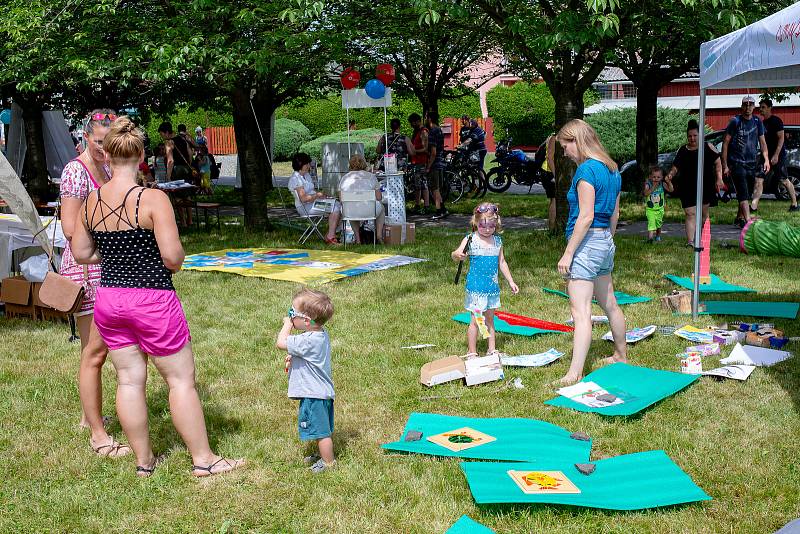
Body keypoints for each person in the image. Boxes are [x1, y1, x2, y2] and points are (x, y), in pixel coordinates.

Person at [70, 116, 245, 478]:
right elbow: (173, 259)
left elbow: (82, 252)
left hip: (110, 300)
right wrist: (144, 251)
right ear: (139, 155)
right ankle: (204, 460)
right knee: (180, 380)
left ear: (107, 154)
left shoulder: (91, 202)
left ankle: (144, 462)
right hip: (152, 298)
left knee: (129, 380)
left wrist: (117, 254)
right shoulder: (153, 199)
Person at [59, 109, 130, 459]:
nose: (105, 150)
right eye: (99, 143)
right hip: (87, 268)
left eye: (110, 143)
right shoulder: (76, 171)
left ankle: (92, 418)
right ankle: (98, 434)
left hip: (107, 265)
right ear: (86, 137)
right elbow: (71, 229)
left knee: (101, 351)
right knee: (95, 352)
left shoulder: (106, 167)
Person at [555, 119, 626, 386]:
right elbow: (614, 214)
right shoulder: (613, 169)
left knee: (580, 311)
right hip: (605, 240)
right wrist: (607, 241)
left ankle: (575, 373)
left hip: (586, 244)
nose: (565, 153)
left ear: (577, 141)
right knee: (609, 303)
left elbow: (585, 216)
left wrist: (568, 253)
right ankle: (621, 355)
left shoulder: (586, 171)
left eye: (565, 146)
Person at [276, 288, 336, 474]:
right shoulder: (319, 335)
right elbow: (308, 356)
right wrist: (294, 358)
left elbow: (281, 342)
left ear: (306, 321)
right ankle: (323, 455)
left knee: (321, 432)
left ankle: (329, 463)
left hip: (314, 394)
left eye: (292, 313)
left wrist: (287, 324)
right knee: (320, 428)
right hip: (320, 392)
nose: (290, 316)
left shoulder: (308, 340)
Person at [451, 202, 519, 358]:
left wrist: (511, 281)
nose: (487, 229)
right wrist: (457, 255)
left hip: (492, 289)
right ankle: (472, 351)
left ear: (496, 224)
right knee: (475, 320)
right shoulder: (470, 239)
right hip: (475, 290)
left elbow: (502, 262)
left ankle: (491, 349)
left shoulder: (497, 242)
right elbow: (455, 254)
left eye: (491, 226)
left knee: (490, 320)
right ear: (476, 222)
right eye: (482, 226)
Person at [666, 119, 724, 246]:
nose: (692, 138)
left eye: (695, 136)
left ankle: (702, 237)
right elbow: (676, 167)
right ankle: (690, 241)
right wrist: (670, 175)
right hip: (687, 186)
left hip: (705, 185)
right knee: (690, 213)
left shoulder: (708, 146)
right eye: (690, 136)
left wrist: (719, 178)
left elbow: (718, 162)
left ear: (700, 135)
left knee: (703, 214)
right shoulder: (682, 150)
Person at [722, 96, 770, 227]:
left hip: (751, 163)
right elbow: (725, 143)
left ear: (754, 107)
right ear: (741, 106)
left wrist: (766, 159)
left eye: (751, 104)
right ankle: (748, 222)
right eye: (745, 104)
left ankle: (739, 218)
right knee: (742, 192)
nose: (748, 107)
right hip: (737, 162)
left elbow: (763, 142)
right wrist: (725, 165)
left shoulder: (757, 121)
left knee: (746, 193)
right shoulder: (735, 121)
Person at [752, 99, 799, 213]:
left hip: (778, 156)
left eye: (763, 107)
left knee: (784, 180)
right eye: (760, 107)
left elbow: (781, 138)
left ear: (769, 108)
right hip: (766, 156)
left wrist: (776, 155)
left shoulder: (776, 121)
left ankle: (794, 204)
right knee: (758, 179)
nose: (760, 110)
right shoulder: (762, 123)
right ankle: (753, 206)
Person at [288, 152, 342, 244]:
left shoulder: (306, 175)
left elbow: (311, 192)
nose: (309, 165)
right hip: (304, 207)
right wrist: (317, 196)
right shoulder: (296, 179)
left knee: (340, 205)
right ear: (301, 164)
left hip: (313, 203)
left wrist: (322, 196)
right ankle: (330, 236)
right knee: (335, 208)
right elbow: (303, 198)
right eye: (307, 164)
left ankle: (330, 233)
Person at [338, 154, 385, 244]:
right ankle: (379, 235)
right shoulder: (371, 177)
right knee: (382, 208)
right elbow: (379, 197)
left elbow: (341, 199)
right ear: (364, 163)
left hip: (350, 211)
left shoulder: (344, 178)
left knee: (350, 208)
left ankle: (358, 239)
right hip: (370, 210)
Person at [425, 111, 449, 219]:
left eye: (426, 117)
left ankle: (439, 211)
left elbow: (433, 152)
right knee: (437, 188)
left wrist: (429, 165)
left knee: (434, 188)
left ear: (429, 119)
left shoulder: (432, 132)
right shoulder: (439, 130)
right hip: (440, 162)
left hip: (435, 163)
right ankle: (443, 209)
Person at [643, 166, 673, 243]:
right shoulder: (648, 185)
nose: (656, 179)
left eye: (658, 177)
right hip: (650, 209)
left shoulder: (662, 184)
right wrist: (653, 188)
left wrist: (669, 182)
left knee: (658, 225)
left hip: (660, 209)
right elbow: (645, 194)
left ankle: (658, 236)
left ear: (662, 177)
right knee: (651, 223)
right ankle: (650, 239)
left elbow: (671, 190)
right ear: (650, 177)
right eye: (654, 177)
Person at [408, 113, 430, 214]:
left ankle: (426, 206)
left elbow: (426, 148)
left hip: (422, 162)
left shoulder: (423, 132)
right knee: (417, 185)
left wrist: (414, 151)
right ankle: (417, 205)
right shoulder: (416, 132)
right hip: (415, 162)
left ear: (417, 121)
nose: (411, 125)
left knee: (423, 184)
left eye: (412, 123)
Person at [542, 134, 557, 230]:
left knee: (555, 200)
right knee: (554, 200)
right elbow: (549, 157)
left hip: (551, 171)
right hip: (549, 171)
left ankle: (553, 228)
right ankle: (552, 229)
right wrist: (556, 174)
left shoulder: (554, 137)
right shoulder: (554, 138)